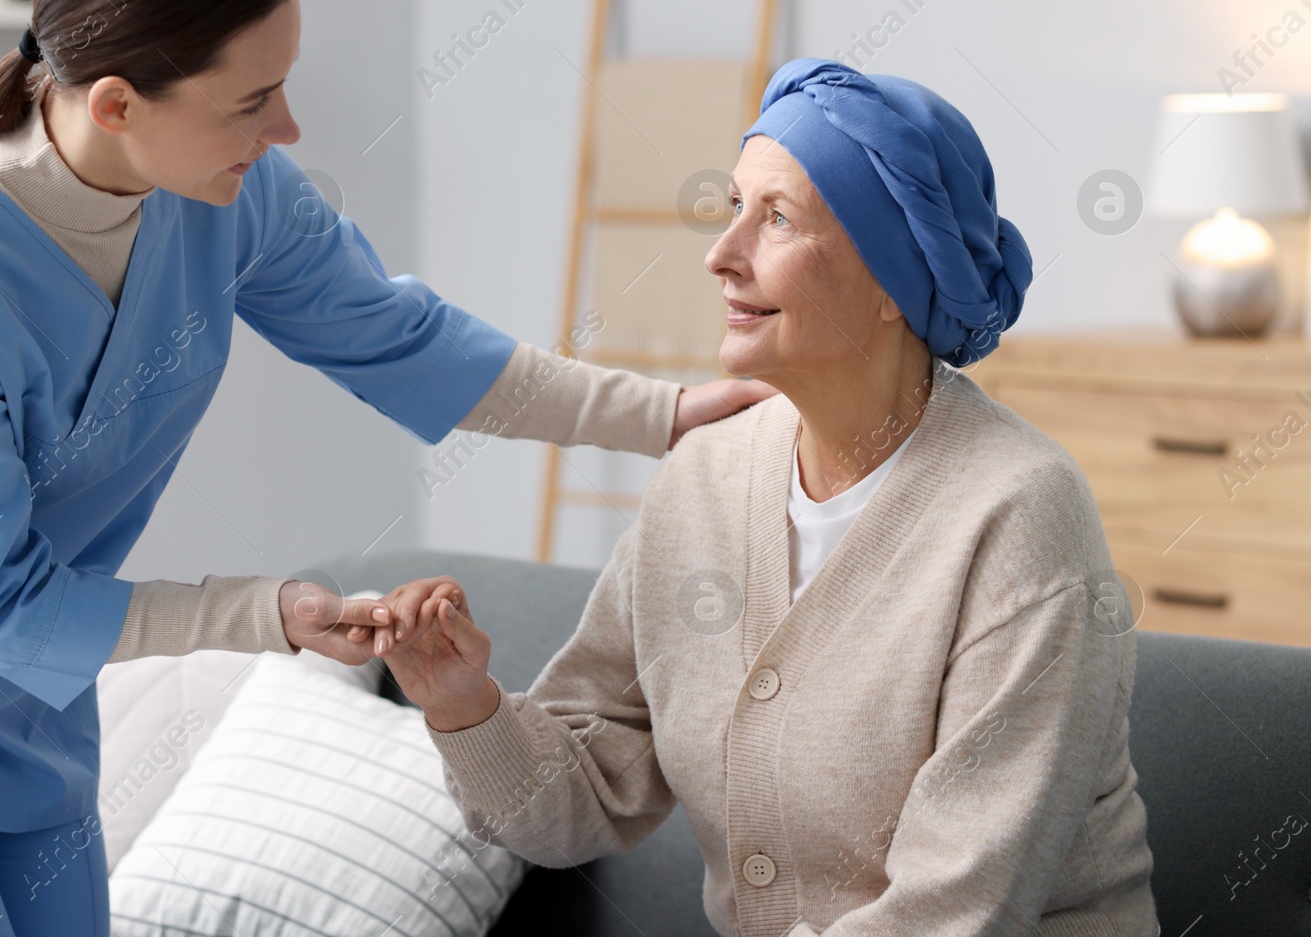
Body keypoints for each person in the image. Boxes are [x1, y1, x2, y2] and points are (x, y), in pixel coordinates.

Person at [0, 0, 770, 935]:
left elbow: (407, 340)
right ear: (118, 103)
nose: (288, 125)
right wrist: (259, 611)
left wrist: (674, 415)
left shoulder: (230, 189)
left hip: (23, 691)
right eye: (252, 99)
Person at [381, 59, 1161, 935]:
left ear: (892, 289)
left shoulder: (1019, 512)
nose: (721, 256)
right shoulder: (703, 479)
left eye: (778, 218)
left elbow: (954, 910)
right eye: (732, 210)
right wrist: (462, 702)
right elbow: (586, 795)